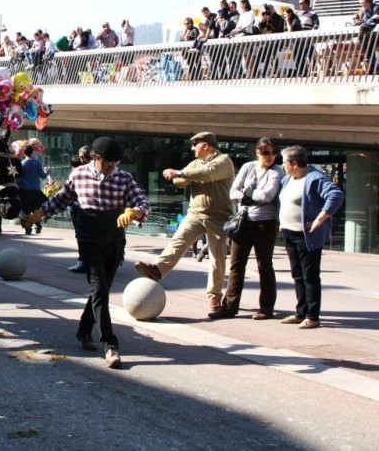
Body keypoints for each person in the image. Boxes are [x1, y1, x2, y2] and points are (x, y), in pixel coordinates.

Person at [22, 137, 151, 369]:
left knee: (100, 291)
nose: (112, 167)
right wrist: (39, 214)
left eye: (115, 163)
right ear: (95, 158)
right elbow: (62, 199)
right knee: (99, 288)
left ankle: (83, 331)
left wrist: (135, 212)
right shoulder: (79, 174)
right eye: (107, 163)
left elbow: (143, 202)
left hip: (114, 239)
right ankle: (110, 344)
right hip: (88, 236)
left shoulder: (124, 178)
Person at [135, 132, 235, 312]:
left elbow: (209, 173)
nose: (191, 148)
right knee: (178, 241)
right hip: (195, 213)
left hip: (218, 216)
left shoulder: (224, 161)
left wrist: (183, 173)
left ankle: (214, 297)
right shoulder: (195, 163)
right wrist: (182, 176)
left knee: (216, 259)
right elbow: (180, 181)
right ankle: (157, 270)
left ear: (205, 145)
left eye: (194, 144)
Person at [209, 138, 283, 320]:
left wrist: (246, 194)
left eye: (274, 153)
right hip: (243, 222)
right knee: (236, 265)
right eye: (267, 152)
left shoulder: (277, 171)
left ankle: (266, 308)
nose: (271, 156)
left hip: (265, 223)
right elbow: (233, 192)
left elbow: (267, 195)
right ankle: (229, 307)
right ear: (258, 152)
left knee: (264, 265)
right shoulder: (248, 167)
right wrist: (249, 196)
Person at [278, 145, 343, 329]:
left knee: (310, 276)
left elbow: (336, 195)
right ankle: (300, 312)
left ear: (294, 163)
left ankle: (312, 316)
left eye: (284, 163)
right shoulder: (288, 179)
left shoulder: (315, 178)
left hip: (306, 236)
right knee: (297, 275)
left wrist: (319, 219)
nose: (282, 166)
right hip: (289, 232)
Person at [68, 146, 93, 274]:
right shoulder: (100, 170)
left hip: (79, 208)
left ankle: (84, 261)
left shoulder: (78, 173)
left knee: (82, 235)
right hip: (90, 209)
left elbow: (66, 195)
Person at [17, 145, 49, 235]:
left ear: (24, 153)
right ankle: (38, 224)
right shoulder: (37, 163)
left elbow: (19, 179)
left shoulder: (21, 164)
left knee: (25, 211)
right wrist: (47, 173)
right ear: (32, 152)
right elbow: (43, 176)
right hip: (36, 191)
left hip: (25, 191)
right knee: (35, 210)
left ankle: (28, 228)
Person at [357, 0, 379, 74]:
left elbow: (376, 17)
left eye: (361, 3)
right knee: (369, 49)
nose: (361, 5)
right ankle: (374, 69)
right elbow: (366, 21)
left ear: (367, 2)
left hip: (376, 34)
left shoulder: (376, 7)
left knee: (371, 48)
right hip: (372, 35)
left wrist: (370, 20)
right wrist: (371, 19)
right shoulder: (366, 10)